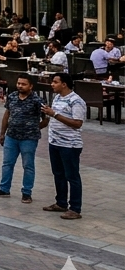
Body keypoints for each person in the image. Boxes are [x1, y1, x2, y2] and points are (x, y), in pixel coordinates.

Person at [0, 75, 44, 204]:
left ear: (30, 86)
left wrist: (34, 128)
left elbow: (45, 119)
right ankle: (4, 188)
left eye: (23, 84)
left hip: (29, 139)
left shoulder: (37, 100)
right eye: (19, 83)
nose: (20, 86)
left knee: (28, 166)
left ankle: (26, 192)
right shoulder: (12, 96)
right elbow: (7, 114)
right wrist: (2, 133)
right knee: (7, 163)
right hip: (11, 136)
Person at [42, 74, 86, 219]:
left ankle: (75, 208)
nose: (52, 85)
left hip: (70, 144)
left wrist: (54, 114)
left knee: (72, 176)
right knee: (58, 174)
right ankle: (61, 202)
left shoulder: (76, 101)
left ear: (64, 84)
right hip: (55, 142)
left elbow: (77, 123)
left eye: (55, 82)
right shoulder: (57, 98)